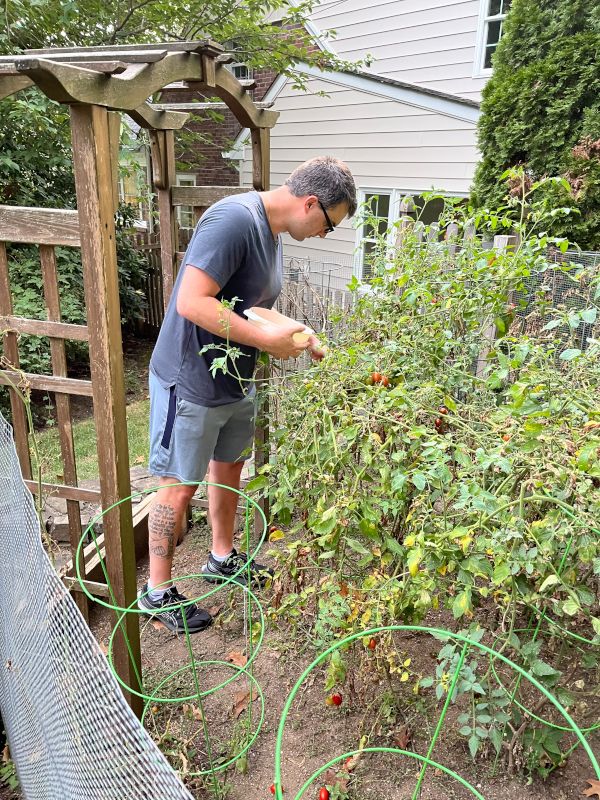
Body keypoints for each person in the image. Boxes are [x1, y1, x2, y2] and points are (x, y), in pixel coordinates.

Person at [137, 156, 357, 633]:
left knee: (229, 470)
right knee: (178, 484)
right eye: (328, 225)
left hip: (234, 379)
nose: (325, 235)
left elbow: (253, 308)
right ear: (310, 203)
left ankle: (221, 557)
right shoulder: (234, 220)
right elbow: (192, 302)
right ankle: (156, 592)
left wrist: (302, 333)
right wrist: (266, 343)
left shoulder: (271, 233)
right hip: (190, 378)